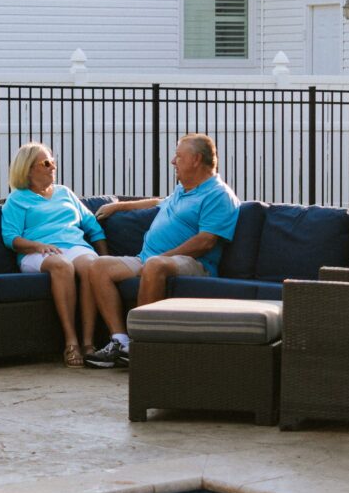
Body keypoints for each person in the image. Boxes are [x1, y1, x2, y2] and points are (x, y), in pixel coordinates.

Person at [81, 133, 239, 369]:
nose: (173, 161)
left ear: (196, 159)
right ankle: (120, 341)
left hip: (194, 264)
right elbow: (158, 202)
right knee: (98, 266)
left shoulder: (218, 194)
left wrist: (162, 258)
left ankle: (141, 344)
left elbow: (205, 242)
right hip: (149, 259)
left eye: (178, 156)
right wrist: (119, 205)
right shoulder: (182, 190)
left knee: (154, 265)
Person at [0, 141, 106, 366]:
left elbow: (93, 226)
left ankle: (89, 343)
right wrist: (37, 246)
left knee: (92, 266)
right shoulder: (17, 199)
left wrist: (104, 258)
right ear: (29, 169)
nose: (52, 167)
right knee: (61, 265)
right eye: (46, 163)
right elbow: (11, 238)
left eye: (53, 162)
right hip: (36, 253)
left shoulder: (64, 193)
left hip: (75, 245)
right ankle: (71, 342)